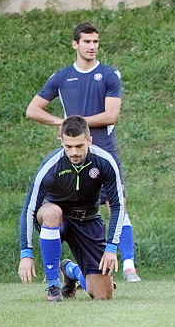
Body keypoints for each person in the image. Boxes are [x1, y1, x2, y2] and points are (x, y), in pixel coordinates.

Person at [26, 22, 141, 283]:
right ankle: (64, 272)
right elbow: (33, 110)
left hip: (104, 154)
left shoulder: (109, 75)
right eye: (87, 42)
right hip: (75, 158)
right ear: (75, 44)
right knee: (63, 211)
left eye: (96, 42)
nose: (92, 46)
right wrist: (63, 124)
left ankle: (129, 267)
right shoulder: (62, 76)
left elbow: (111, 115)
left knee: (116, 205)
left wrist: (77, 122)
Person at [18, 115, 123, 301]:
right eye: (68, 146)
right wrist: (25, 253)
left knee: (103, 295)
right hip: (57, 219)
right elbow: (29, 209)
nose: (74, 152)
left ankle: (70, 270)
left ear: (89, 140)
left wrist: (111, 247)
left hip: (88, 220)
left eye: (79, 146)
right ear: (62, 142)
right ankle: (53, 285)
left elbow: (117, 205)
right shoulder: (50, 166)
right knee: (51, 212)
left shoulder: (105, 162)